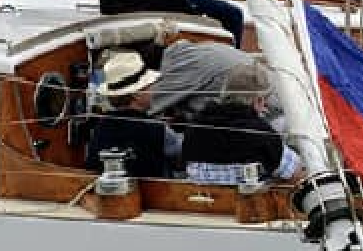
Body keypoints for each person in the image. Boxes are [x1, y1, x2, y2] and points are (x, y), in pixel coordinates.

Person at [181, 62, 299, 184]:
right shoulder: (260, 133)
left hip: (197, 199)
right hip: (247, 202)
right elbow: (295, 173)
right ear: (258, 100)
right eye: (265, 99)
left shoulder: (195, 126)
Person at [87, 50, 178, 178]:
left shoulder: (100, 126)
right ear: (136, 94)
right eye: (148, 86)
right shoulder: (157, 129)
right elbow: (183, 153)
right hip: (150, 195)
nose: (153, 90)